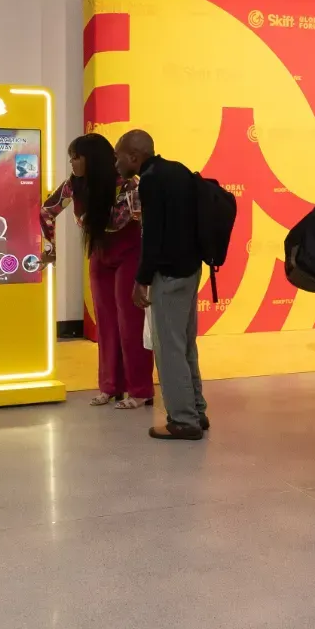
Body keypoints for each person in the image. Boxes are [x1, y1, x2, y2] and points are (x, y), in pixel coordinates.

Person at [42, 133, 152, 409]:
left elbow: (121, 223)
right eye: (71, 158)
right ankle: (110, 387)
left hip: (129, 255)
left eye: (76, 157)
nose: (72, 163)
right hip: (99, 255)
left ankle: (140, 390)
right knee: (105, 323)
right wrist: (49, 248)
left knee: (130, 322)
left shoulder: (127, 185)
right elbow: (47, 211)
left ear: (92, 159)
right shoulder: (73, 185)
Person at [116, 130, 208, 441]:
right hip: (190, 270)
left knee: (168, 349)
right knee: (185, 344)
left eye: (119, 157)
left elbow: (152, 236)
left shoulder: (152, 181)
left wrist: (141, 280)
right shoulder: (178, 170)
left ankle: (183, 420)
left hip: (168, 275)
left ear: (134, 156)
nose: (117, 164)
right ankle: (196, 409)